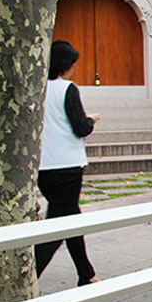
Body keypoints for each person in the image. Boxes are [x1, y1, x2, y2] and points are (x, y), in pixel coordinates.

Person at [35, 40, 100, 286]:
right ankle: (28, 278)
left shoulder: (37, 88)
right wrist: (91, 120)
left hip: (44, 166)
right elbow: (81, 127)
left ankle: (86, 273)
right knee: (58, 227)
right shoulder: (67, 89)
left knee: (70, 217)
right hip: (67, 165)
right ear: (65, 64)